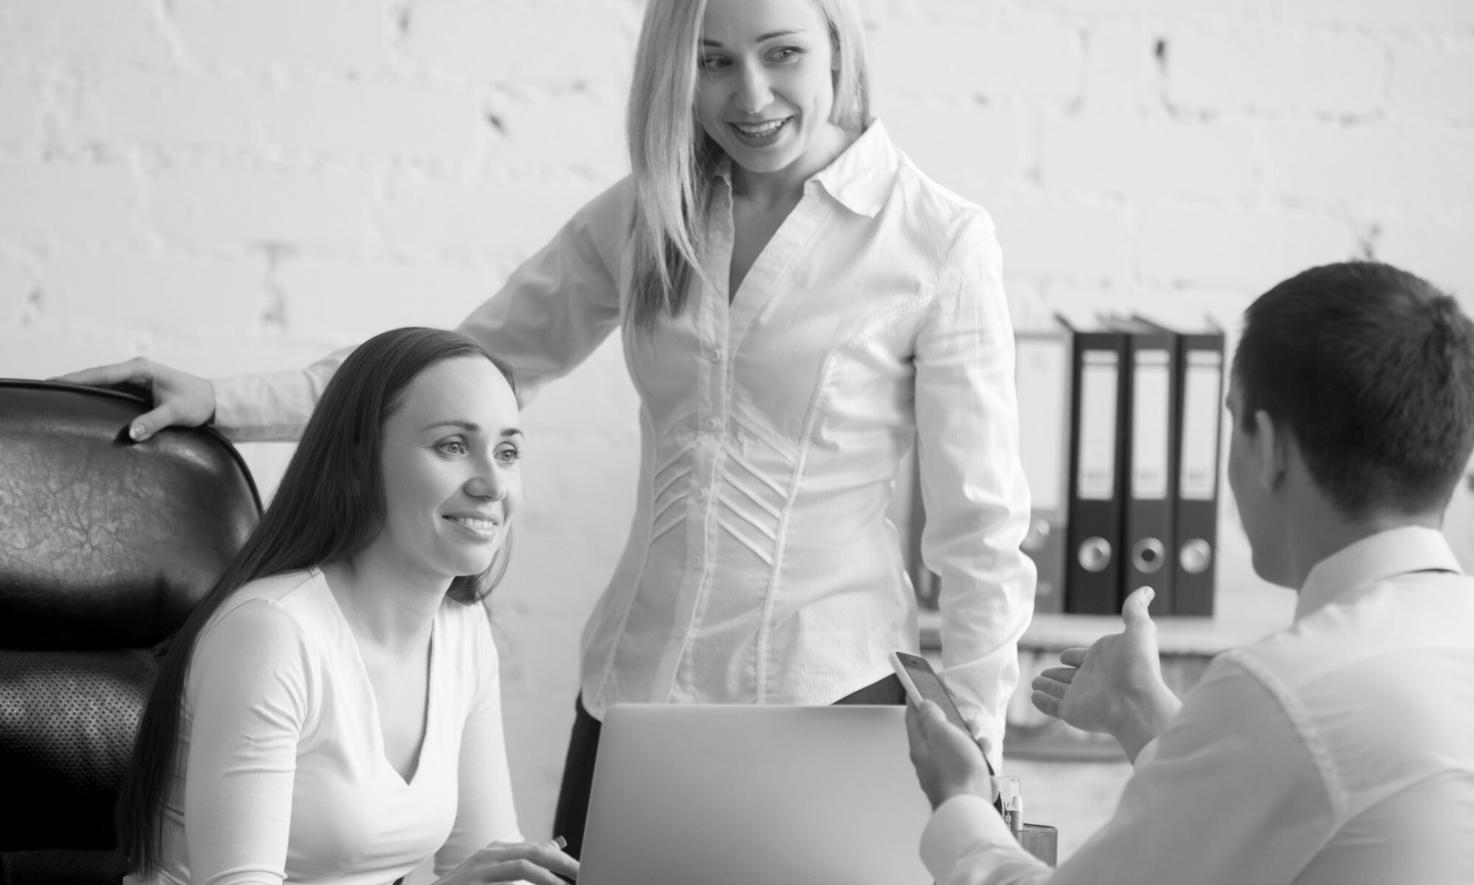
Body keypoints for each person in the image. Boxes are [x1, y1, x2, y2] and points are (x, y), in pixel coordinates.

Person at [67, 0, 1035, 855]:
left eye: (782, 53)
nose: (751, 95)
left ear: (837, 45)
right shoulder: (649, 214)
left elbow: (979, 532)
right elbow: (465, 366)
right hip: (632, 696)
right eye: (711, 60)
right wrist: (228, 401)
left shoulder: (936, 242)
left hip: (831, 705)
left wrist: (977, 753)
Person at [904, 260, 1474, 884]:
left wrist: (959, 799)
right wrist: (1141, 712)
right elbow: (1299, 799)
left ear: (1268, 445)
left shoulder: (1284, 692)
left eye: (1230, 418)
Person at [116, 327, 580, 885]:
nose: (492, 484)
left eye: (508, 452)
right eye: (452, 446)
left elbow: (489, 865)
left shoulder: (462, 630)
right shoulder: (271, 634)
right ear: (361, 460)